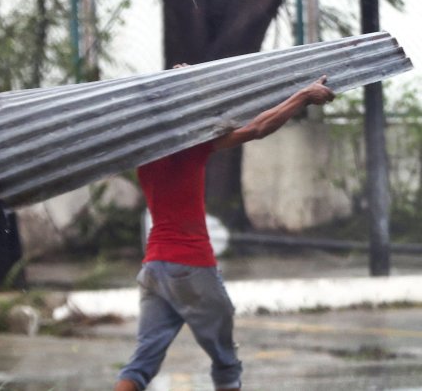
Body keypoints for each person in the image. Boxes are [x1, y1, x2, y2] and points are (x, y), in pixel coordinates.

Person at [114, 74, 336, 391]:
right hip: (191, 266)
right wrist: (302, 96)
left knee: (140, 366)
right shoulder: (188, 147)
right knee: (226, 364)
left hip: (154, 268)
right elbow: (259, 128)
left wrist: (180, 83)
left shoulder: (143, 154)